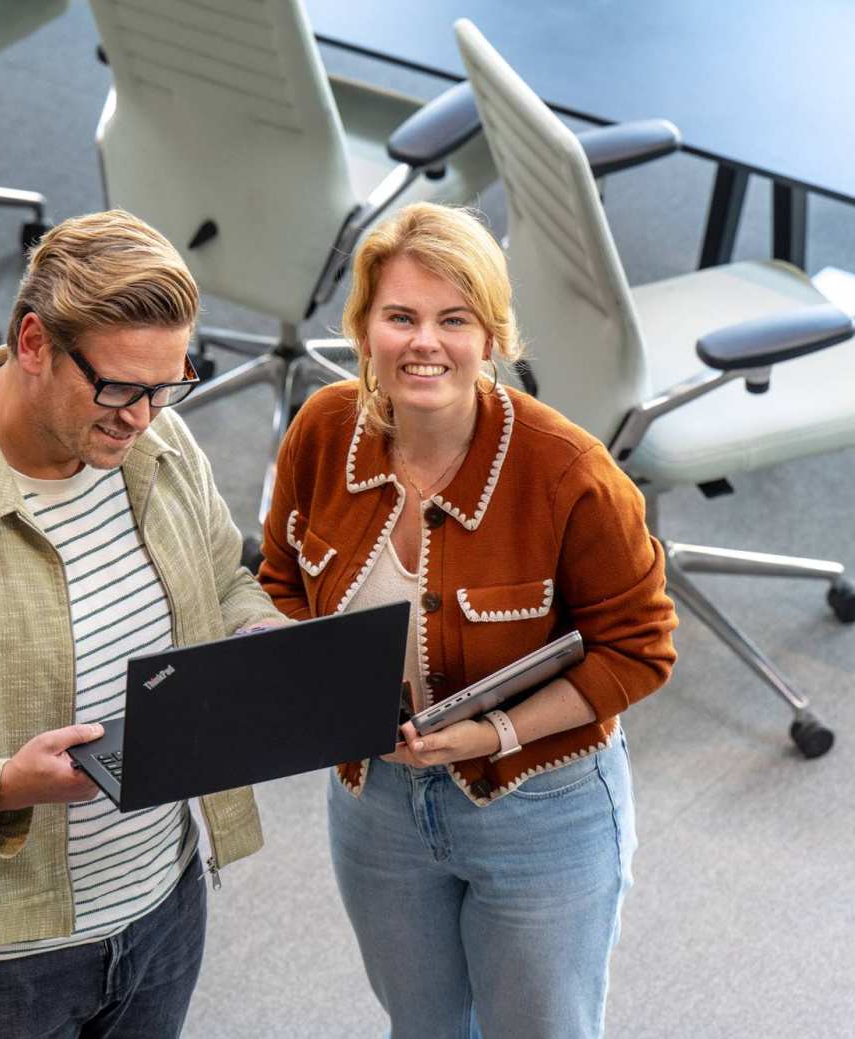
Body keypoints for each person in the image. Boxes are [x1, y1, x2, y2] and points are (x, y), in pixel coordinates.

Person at [0, 209, 287, 1039]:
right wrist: (6, 786)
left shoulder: (159, 446)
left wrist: (252, 642)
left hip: (162, 901)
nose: (142, 416)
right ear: (33, 341)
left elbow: (221, 576)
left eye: (168, 385)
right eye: (118, 387)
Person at [258, 202, 678, 1039]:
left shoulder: (568, 475)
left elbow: (640, 650)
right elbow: (279, 581)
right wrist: (304, 688)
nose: (425, 343)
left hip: (538, 801)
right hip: (373, 794)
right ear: (365, 329)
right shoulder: (321, 431)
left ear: (492, 337)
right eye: (401, 316)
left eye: (455, 320)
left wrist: (493, 734)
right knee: (423, 1026)